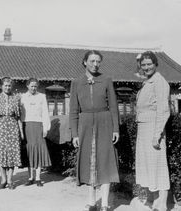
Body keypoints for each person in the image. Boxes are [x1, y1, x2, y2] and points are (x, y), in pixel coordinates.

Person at [69, 50, 120, 211]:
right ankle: (91, 202)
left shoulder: (106, 80)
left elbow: (113, 106)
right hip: (85, 125)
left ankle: (104, 203)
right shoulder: (76, 82)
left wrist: (116, 129)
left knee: (105, 161)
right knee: (88, 161)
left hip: (104, 123)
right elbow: (73, 111)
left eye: (98, 61)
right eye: (92, 61)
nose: (95, 64)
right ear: (85, 62)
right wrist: (75, 134)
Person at [135, 51, 170, 211]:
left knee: (159, 166)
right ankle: (155, 200)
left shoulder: (159, 82)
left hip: (154, 130)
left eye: (149, 64)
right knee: (150, 166)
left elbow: (163, 110)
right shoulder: (148, 81)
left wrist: (157, 135)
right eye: (143, 65)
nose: (146, 67)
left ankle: (162, 203)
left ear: (155, 64)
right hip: (144, 129)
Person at [0, 77, 22, 190]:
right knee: (1, 153)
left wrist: (21, 132)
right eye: (5, 85)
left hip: (12, 128)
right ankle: (3, 179)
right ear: (2, 86)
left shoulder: (15, 98)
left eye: (9, 86)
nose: (7, 87)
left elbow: (18, 117)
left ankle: (10, 180)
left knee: (12, 153)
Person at [21, 78, 51, 187]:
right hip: (27, 126)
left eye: (35, 86)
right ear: (27, 86)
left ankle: (38, 178)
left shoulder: (42, 97)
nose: (33, 88)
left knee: (38, 151)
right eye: (31, 86)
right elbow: (20, 114)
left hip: (38, 126)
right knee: (29, 151)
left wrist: (45, 128)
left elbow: (45, 113)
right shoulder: (22, 97)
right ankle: (30, 177)